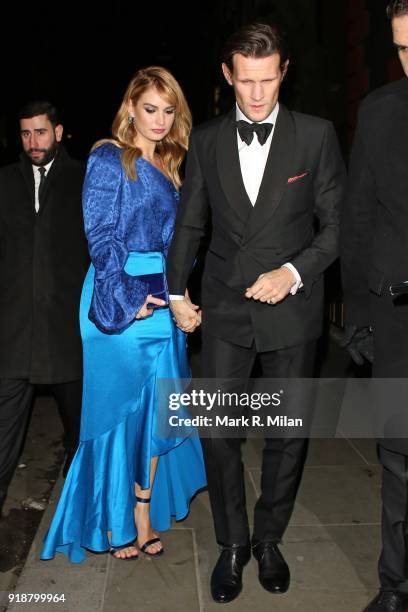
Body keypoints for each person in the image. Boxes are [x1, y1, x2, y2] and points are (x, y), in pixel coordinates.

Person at [166, 19, 345, 604]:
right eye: (246, 82)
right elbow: (191, 222)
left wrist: (293, 272)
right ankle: (233, 543)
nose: (259, 94)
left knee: (286, 435)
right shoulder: (210, 139)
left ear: (283, 72)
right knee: (218, 432)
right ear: (228, 76)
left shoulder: (315, 136)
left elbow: (336, 226)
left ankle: (270, 540)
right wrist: (176, 293)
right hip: (222, 306)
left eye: (268, 80)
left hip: (292, 311)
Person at [40, 66, 206, 563]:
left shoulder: (174, 164)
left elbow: (180, 244)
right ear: (130, 108)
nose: (158, 120)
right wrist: (130, 296)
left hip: (162, 295)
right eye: (150, 109)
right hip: (119, 300)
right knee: (118, 414)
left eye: (168, 111)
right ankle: (112, 517)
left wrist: (180, 294)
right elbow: (102, 236)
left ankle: (141, 510)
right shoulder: (111, 158)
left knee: (160, 412)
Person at [341, 2, 408, 610]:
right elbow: (357, 220)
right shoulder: (381, 112)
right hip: (398, 322)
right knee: (398, 462)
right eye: (404, 50)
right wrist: (359, 314)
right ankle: (396, 588)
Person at [0, 101, 89, 516]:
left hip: (69, 333)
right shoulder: (4, 182)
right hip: (14, 334)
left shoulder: (85, 178)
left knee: (81, 433)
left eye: (39, 132)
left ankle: (78, 514)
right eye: (24, 134)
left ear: (58, 132)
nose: (32, 142)